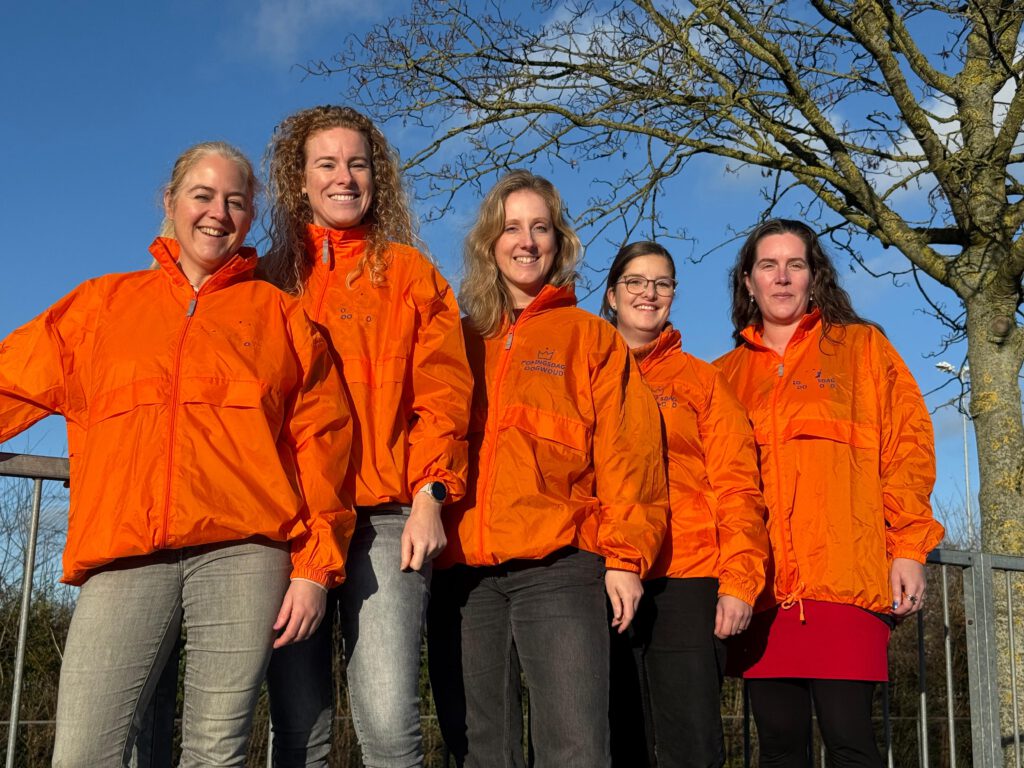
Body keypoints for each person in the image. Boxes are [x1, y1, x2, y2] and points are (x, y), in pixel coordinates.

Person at [0, 141, 353, 766]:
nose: (218, 213)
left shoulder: (281, 316)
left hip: (244, 554)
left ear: (250, 216)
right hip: (123, 551)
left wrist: (313, 569)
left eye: (235, 201)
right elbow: (11, 379)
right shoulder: (101, 306)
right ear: (170, 202)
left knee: (216, 752)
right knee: (82, 749)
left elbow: (322, 445)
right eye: (203, 195)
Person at [427, 171, 668, 768]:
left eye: (540, 227)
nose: (527, 241)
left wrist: (625, 559)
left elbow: (630, 456)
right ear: (490, 242)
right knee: (479, 749)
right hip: (464, 575)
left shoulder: (591, 338)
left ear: (559, 243)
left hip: (560, 567)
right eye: (512, 227)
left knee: (574, 745)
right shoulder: (458, 338)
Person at [261, 105, 472, 768]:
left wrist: (432, 494)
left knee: (386, 719)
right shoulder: (268, 280)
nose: (344, 177)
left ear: (376, 177)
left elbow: (443, 395)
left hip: (386, 520)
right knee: (298, 726)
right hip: (292, 524)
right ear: (299, 180)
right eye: (327, 164)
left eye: (358, 164)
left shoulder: (412, 275)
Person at [714, 219, 945, 767]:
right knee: (779, 748)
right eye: (768, 266)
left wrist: (909, 547)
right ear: (748, 281)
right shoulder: (722, 375)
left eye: (795, 265)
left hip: (846, 581)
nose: (782, 277)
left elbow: (908, 447)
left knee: (851, 742)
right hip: (763, 592)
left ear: (814, 277)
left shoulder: (863, 348)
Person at [601, 241, 769, 768]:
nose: (648, 293)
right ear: (612, 295)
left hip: (687, 577)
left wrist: (739, 582)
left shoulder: (703, 381)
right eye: (635, 281)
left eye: (662, 283)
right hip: (599, 574)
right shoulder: (585, 370)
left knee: (691, 744)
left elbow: (739, 486)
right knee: (614, 739)